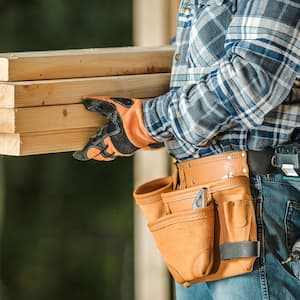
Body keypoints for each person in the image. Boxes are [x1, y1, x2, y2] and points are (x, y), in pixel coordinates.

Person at [74, 0, 300, 299]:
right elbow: (193, 77)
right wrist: (160, 124)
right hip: (201, 200)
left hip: (255, 196)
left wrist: (147, 123)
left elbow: (253, 76)